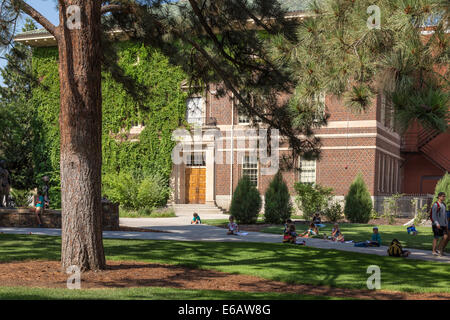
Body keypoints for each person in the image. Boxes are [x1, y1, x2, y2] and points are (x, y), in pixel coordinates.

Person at [431, 192, 448, 256]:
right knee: (436, 237)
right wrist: (437, 223)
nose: (444, 197)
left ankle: (438, 249)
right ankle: (433, 251)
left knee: (445, 237)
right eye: (443, 196)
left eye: (444, 196)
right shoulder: (435, 205)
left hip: (443, 224)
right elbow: (433, 215)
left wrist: (446, 224)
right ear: (439, 197)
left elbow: (445, 215)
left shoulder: (443, 204)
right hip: (436, 224)